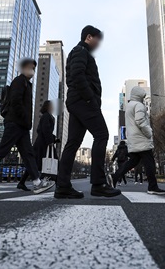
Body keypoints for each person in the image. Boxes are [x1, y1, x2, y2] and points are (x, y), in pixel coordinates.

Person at [55, 26, 120, 199]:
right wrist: (90, 98)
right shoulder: (80, 51)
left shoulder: (81, 52)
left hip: (77, 102)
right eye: (97, 38)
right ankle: (98, 184)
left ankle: (62, 186)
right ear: (88, 37)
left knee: (73, 142)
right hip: (83, 102)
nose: (99, 42)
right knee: (101, 134)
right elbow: (77, 75)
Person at [0, 59, 54, 195]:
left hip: (21, 126)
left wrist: (26, 122)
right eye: (29, 67)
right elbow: (16, 101)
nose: (32, 70)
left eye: (33, 68)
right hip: (15, 123)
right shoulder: (19, 81)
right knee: (2, 150)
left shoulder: (27, 84)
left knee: (28, 154)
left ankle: (37, 183)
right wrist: (24, 118)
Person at [110, 86, 165, 194]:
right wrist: (149, 133)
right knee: (150, 162)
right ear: (140, 95)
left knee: (132, 161)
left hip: (133, 138)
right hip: (141, 138)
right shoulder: (139, 105)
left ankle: (115, 177)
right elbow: (140, 120)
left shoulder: (129, 105)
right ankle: (152, 186)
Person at [18, 100, 57, 190]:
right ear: (47, 107)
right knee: (53, 161)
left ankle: (22, 182)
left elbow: (45, 130)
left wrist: (53, 138)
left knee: (34, 163)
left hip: (42, 142)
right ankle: (57, 184)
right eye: (51, 106)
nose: (53, 107)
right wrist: (50, 141)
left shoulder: (48, 116)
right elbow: (44, 129)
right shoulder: (46, 116)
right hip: (43, 143)